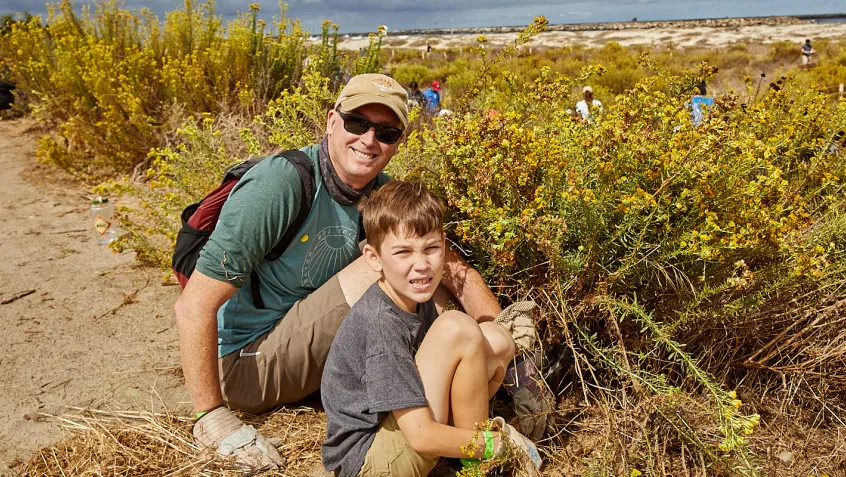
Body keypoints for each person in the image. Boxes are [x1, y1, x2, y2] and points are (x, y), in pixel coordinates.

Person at [176, 73, 540, 473]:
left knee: (418, 260)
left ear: (399, 140)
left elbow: (450, 268)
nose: (369, 140)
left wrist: (500, 337)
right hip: (248, 363)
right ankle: (468, 436)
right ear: (332, 121)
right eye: (356, 123)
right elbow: (193, 306)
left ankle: (472, 422)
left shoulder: (379, 192)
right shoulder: (280, 184)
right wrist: (212, 416)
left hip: (315, 351)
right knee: (392, 265)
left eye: (386, 131)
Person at [321, 181, 542, 477]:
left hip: (401, 430)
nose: (421, 264)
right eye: (403, 252)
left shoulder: (413, 295)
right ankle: (481, 461)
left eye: (431, 248)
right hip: (372, 460)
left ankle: (469, 456)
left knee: (496, 339)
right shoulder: (380, 322)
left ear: (444, 245)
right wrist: (496, 444)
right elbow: (421, 436)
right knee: (456, 328)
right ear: (374, 258)